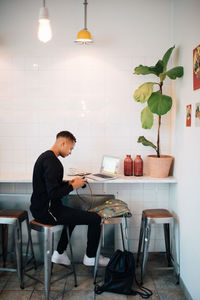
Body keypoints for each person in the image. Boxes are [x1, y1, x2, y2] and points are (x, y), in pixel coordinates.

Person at [30, 131, 109, 266]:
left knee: (73, 214)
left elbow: (50, 186)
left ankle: (60, 253)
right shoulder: (53, 163)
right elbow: (53, 194)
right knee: (95, 218)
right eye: (70, 148)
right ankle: (90, 257)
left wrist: (69, 183)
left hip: (41, 209)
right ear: (63, 143)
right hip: (48, 212)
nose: (70, 152)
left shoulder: (45, 157)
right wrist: (73, 187)